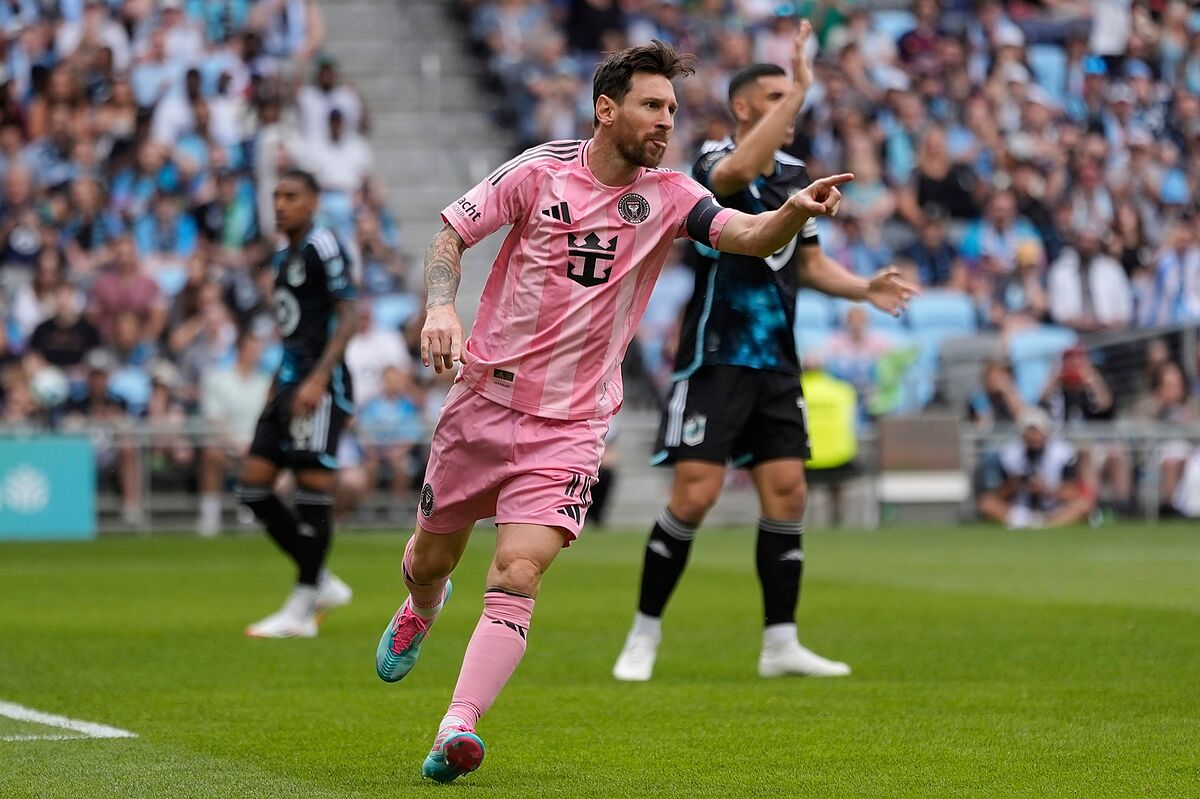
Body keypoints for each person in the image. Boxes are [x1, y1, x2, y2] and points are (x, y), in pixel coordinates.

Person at [373, 39, 883, 784]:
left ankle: (458, 725)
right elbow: (452, 230)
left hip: (571, 426)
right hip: (483, 402)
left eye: (672, 110)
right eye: (652, 106)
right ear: (606, 110)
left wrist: (789, 215)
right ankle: (423, 602)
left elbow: (741, 235)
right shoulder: (539, 169)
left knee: (517, 571)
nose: (666, 122)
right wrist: (441, 307)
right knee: (430, 555)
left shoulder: (672, 193)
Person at [613, 28, 915, 684]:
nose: (792, 108)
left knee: (788, 491)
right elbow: (737, 177)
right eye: (775, 96)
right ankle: (644, 632)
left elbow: (804, 262)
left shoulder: (799, 176)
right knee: (694, 496)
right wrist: (805, 83)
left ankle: (781, 642)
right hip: (715, 355)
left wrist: (863, 285)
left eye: (794, 95)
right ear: (745, 108)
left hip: (777, 359)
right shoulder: (706, 161)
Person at [234, 169, 357, 638]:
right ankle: (319, 578)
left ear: (313, 202)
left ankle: (302, 607)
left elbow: (349, 314)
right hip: (286, 382)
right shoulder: (285, 255)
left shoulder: (324, 246)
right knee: (253, 487)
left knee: (311, 493)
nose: (281, 204)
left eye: (291, 196)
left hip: (320, 387)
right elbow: (294, 328)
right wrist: (277, 383)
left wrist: (319, 378)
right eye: (276, 196)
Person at [976, 407, 1095, 529]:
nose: (1033, 437)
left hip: (1053, 510)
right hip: (1021, 511)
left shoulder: (1062, 454)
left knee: (1083, 505)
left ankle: (1047, 526)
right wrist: (1014, 485)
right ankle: (1029, 525)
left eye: (1037, 432)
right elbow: (996, 495)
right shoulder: (1010, 455)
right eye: (1029, 432)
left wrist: (1046, 489)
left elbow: (1074, 492)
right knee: (986, 503)